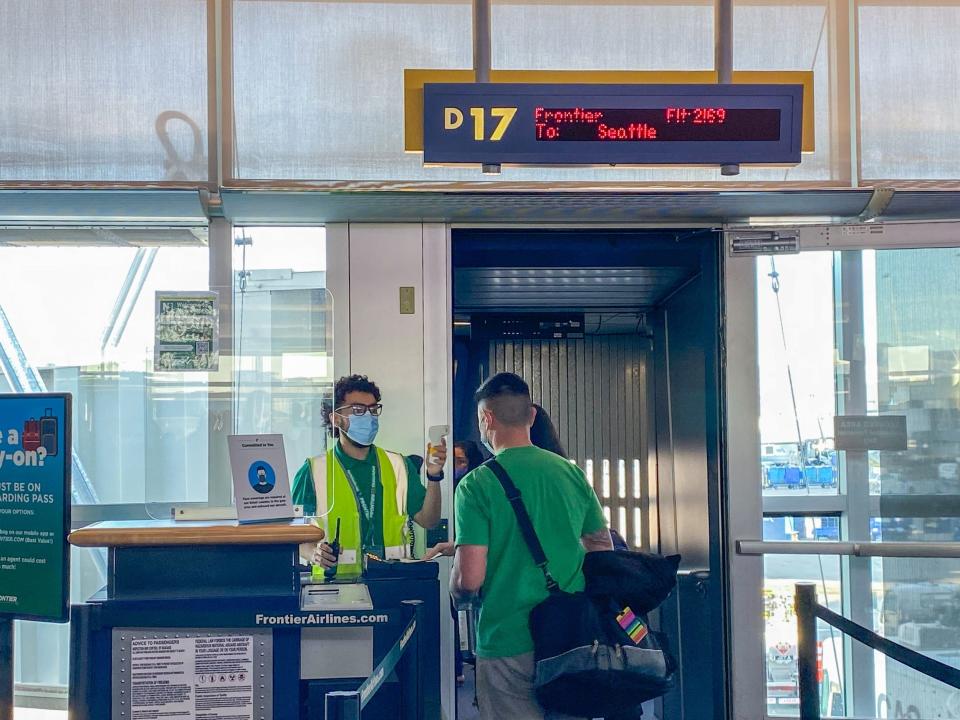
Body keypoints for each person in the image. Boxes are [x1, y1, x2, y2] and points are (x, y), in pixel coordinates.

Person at [451, 372, 612, 720]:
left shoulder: (476, 485)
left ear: (486, 418)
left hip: (508, 638)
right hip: (571, 635)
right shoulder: (568, 472)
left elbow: (470, 579)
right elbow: (601, 547)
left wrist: (456, 587)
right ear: (532, 416)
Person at [292, 374, 445, 575]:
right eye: (358, 410)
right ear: (335, 418)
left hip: (392, 581)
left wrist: (434, 476)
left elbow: (429, 521)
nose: (369, 417)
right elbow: (294, 537)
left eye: (373, 410)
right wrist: (314, 554)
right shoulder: (312, 471)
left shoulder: (399, 464)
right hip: (335, 585)